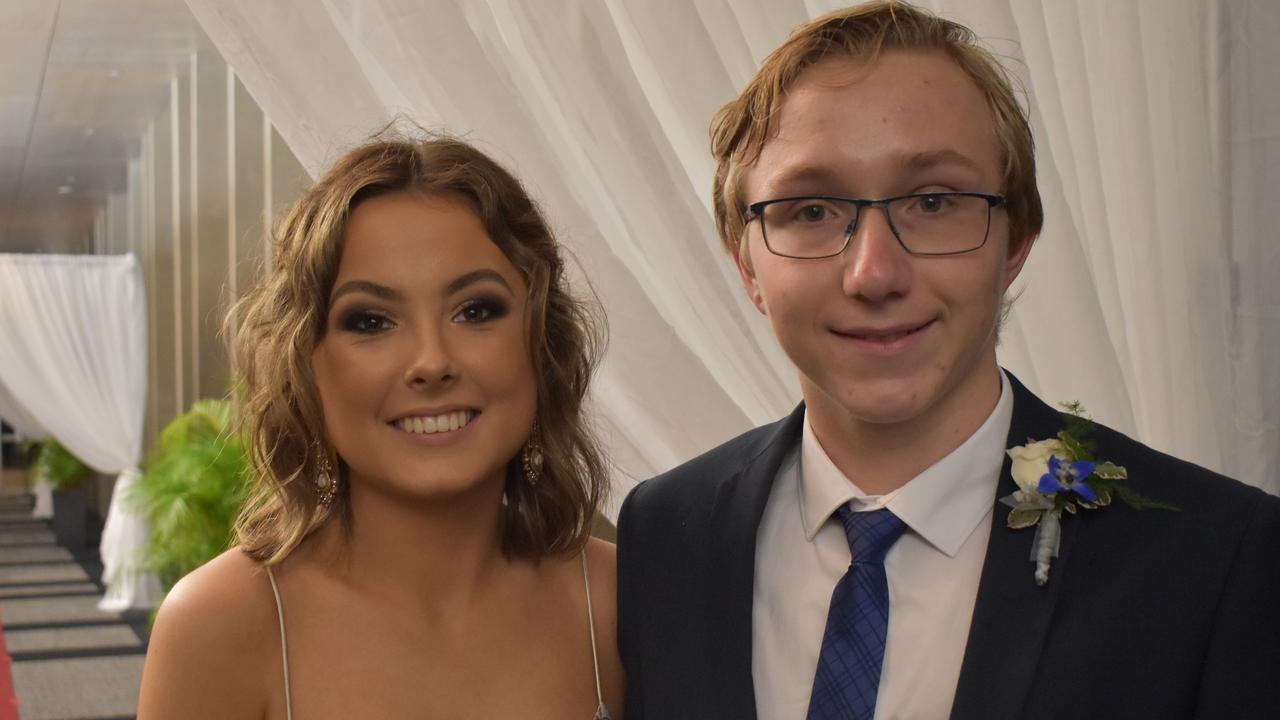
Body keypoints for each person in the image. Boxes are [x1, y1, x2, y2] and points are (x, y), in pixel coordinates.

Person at [616, 3, 1280, 719]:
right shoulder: (664, 535)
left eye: (934, 201)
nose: (873, 273)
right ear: (744, 259)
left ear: (1016, 238)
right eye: (811, 210)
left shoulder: (1216, 559)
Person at [138, 136, 623, 719]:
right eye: (371, 320)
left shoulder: (621, 601)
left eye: (476, 310)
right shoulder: (221, 624)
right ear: (306, 363)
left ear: (543, 341)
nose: (431, 361)